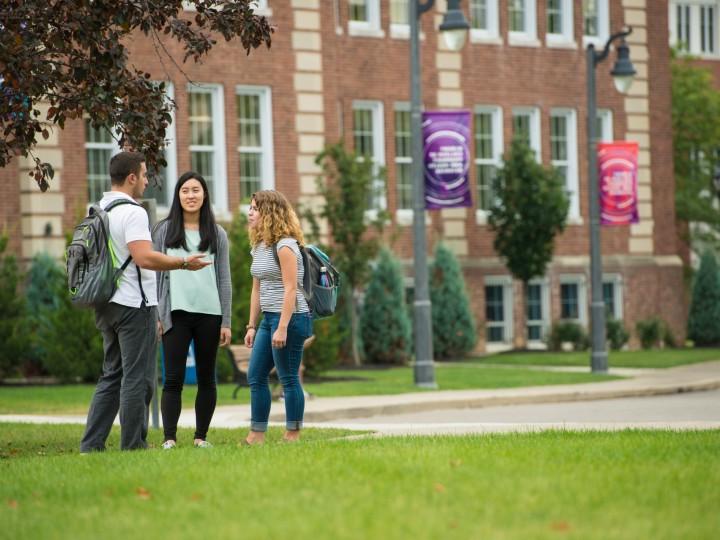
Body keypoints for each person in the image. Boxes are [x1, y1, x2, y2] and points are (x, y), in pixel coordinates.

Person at [80, 152, 210, 453]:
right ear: (131, 178)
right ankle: (134, 445)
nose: (148, 180)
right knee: (136, 378)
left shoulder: (100, 207)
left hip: (105, 302)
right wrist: (182, 263)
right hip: (133, 304)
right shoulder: (133, 212)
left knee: (112, 374)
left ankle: (91, 444)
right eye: (144, 174)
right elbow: (143, 257)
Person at [152, 171, 232, 449]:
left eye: (196, 190)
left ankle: (201, 437)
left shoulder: (217, 233)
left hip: (209, 315)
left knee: (207, 378)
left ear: (205, 195)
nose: (190, 196)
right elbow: (153, 275)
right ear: (177, 196)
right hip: (175, 313)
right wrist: (157, 316)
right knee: (172, 379)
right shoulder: (164, 231)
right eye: (185, 191)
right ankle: (169, 438)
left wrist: (226, 321)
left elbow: (224, 279)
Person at [244, 190, 313, 445]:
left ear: (270, 212)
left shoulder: (285, 245)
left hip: (292, 318)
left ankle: (292, 433)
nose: (249, 213)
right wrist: (251, 325)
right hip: (268, 320)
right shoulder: (259, 246)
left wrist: (282, 327)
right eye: (249, 208)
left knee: (288, 377)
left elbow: (291, 289)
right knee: (256, 375)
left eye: (254, 208)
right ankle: (257, 434)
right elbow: (256, 288)